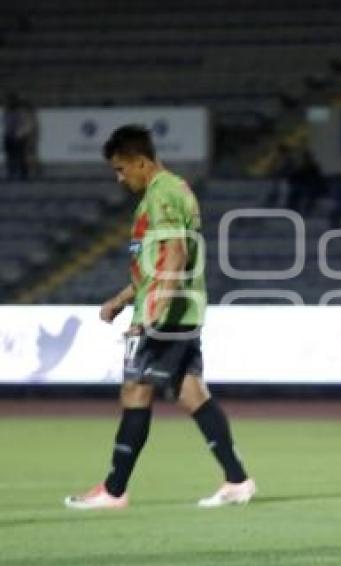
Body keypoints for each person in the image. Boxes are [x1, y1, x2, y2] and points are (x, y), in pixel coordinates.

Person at [64, 125, 256, 510]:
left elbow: (175, 254)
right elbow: (157, 262)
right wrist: (121, 299)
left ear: (141, 161)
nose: (120, 179)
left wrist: (151, 314)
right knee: (191, 393)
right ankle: (237, 480)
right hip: (183, 309)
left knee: (135, 390)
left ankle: (114, 490)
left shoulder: (162, 193)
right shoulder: (171, 190)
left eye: (121, 169)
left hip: (166, 314)